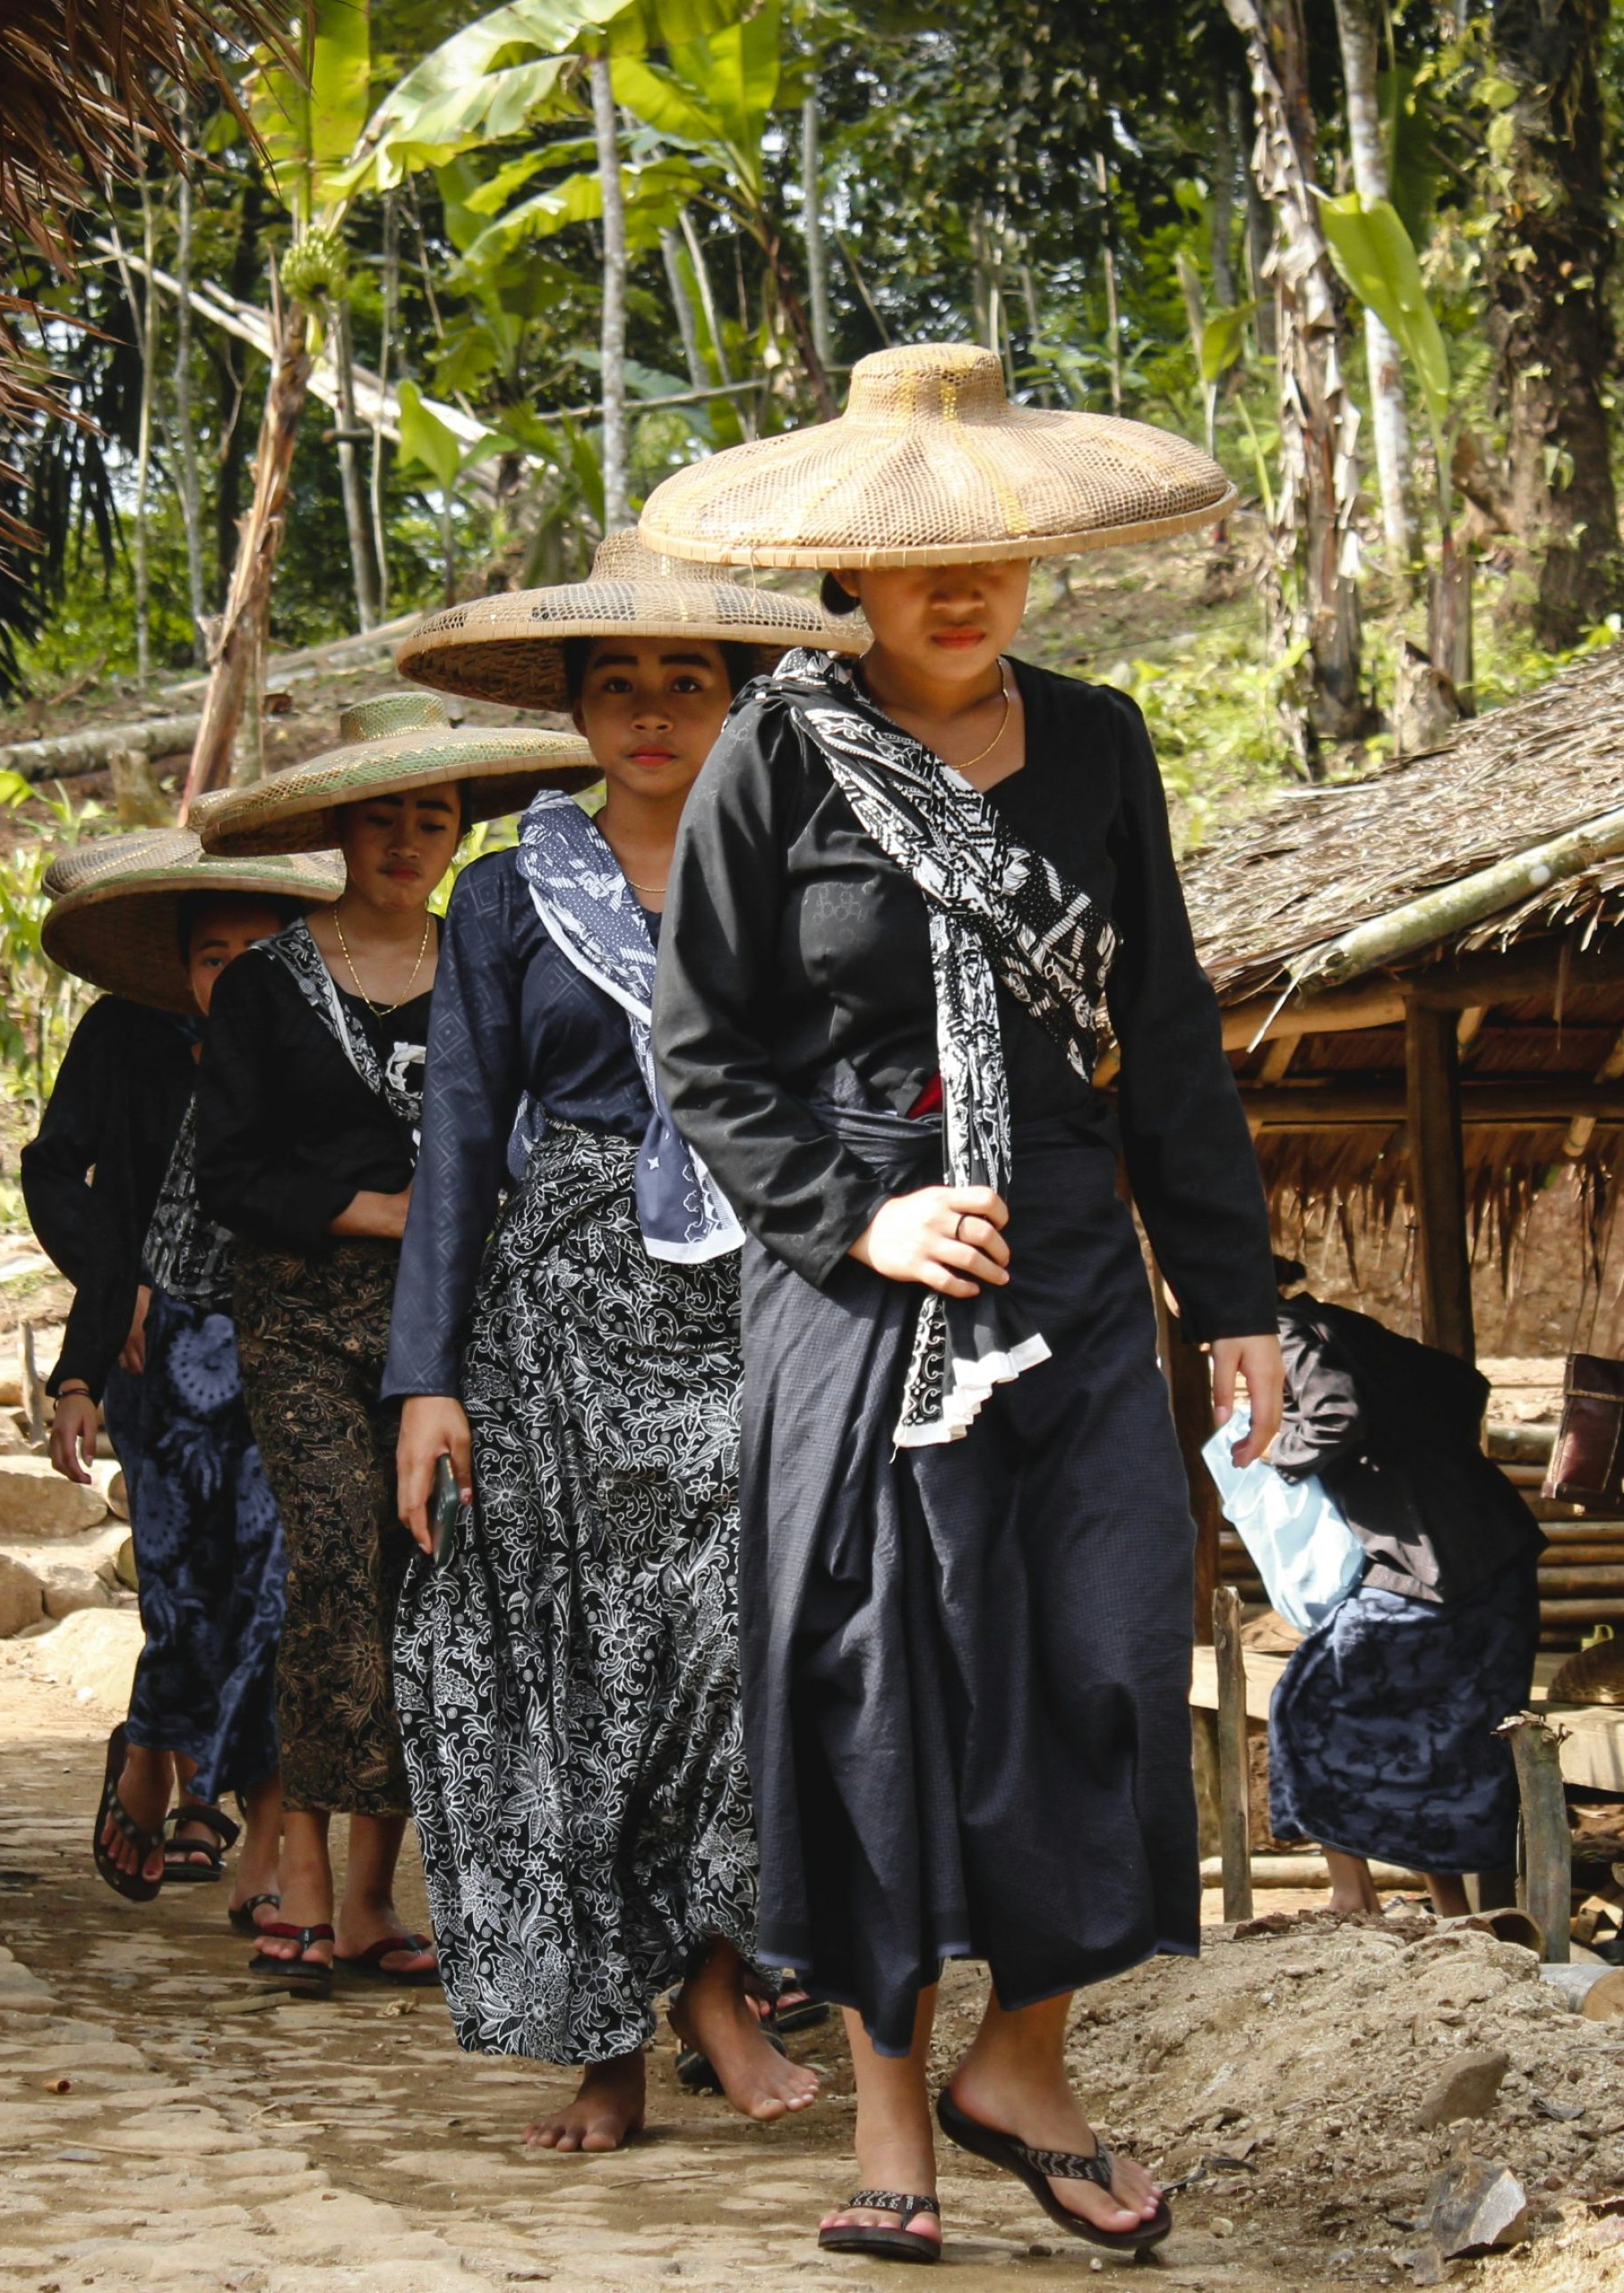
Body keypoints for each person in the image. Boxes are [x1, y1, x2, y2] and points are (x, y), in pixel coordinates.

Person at [641, 343, 1285, 2262]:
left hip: (1072, 1265)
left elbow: (1160, 1035)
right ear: (846, 571)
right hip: (852, 1291)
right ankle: (886, 2108)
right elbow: (704, 1049)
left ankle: (1026, 2054)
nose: (960, 586)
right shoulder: (771, 750)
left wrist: (1230, 1296)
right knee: (869, 1678)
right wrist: (858, 1219)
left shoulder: (1099, 744)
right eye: (918, 559)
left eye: (991, 552)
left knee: (1099, 1650)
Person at [385, 532, 870, 2152]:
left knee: (750, 1640)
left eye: (689, 681)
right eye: (619, 686)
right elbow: (458, 1135)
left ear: (737, 702)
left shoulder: (804, 864)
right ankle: (610, 2035)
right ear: (578, 713)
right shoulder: (510, 891)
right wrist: (425, 1381)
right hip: (560, 1329)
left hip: (760, 1295)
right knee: (580, 1678)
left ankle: (719, 1978)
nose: (653, 712)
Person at [192, 696, 596, 1997]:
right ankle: (299, 1863)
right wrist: (401, 1211)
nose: (409, 839)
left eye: (433, 817)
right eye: (384, 816)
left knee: (431, 1584)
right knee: (337, 1572)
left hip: (457, 1321)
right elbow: (234, 1175)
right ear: (339, 829)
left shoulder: (496, 961)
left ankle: (374, 1896)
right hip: (306, 1316)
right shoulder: (264, 983)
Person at [26, 830, 339, 1925]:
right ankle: (157, 1747)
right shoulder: (123, 1040)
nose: (237, 976)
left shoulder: (320, 1047)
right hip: (156, 1361)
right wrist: (104, 1318)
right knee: (182, 1593)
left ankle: (236, 1814)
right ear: (177, 964)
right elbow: (66, 1178)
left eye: (263, 950)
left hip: (290, 1349)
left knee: (274, 1591)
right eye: (215, 954)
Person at [1261, 1259, 1545, 1919]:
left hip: (1433, 1564)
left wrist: (1269, 1452)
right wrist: (1423, 1449)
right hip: (1494, 1549)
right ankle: (1446, 1908)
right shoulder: (1343, 1326)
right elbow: (1463, 1383)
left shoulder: (1282, 1330)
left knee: (1304, 1700)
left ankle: (1352, 1897)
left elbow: (1337, 1416)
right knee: (1445, 1733)